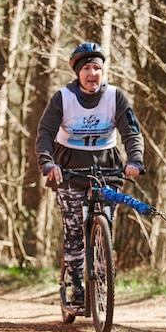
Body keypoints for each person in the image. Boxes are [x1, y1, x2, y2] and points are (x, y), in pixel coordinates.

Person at [35, 42, 145, 305]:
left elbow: (131, 132)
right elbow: (45, 134)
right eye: (87, 68)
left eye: (97, 68)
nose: (92, 73)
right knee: (74, 229)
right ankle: (77, 285)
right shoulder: (63, 98)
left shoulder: (115, 97)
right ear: (77, 72)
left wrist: (136, 160)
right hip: (69, 169)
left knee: (106, 224)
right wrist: (48, 164)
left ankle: (103, 266)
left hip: (107, 167)